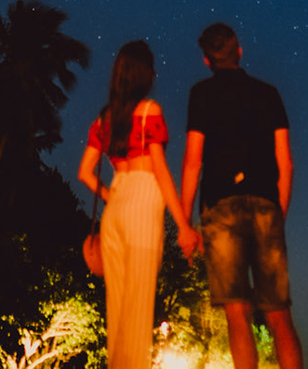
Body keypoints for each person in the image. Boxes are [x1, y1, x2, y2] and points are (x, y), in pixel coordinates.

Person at [180, 22, 302, 369]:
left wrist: (186, 223)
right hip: (266, 204)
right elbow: (286, 163)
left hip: (220, 208)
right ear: (240, 53)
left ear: (207, 61)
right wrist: (279, 212)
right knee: (279, 315)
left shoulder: (201, 94)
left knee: (237, 313)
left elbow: (192, 162)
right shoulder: (269, 93)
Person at [78, 40, 201, 369]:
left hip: (115, 206)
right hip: (143, 202)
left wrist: (111, 197)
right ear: (145, 74)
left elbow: (84, 173)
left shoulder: (105, 119)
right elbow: (160, 170)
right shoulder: (149, 111)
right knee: (137, 312)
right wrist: (184, 226)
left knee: (117, 311)